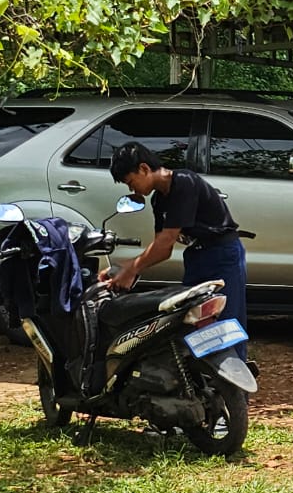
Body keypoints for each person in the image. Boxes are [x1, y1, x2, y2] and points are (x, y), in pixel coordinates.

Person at [101, 142, 250, 361]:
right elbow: (162, 249)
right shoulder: (159, 199)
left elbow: (167, 240)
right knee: (191, 322)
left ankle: (235, 392)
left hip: (222, 255)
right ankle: (206, 388)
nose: (132, 190)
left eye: (131, 182)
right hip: (196, 256)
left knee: (227, 325)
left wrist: (131, 269)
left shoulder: (184, 183)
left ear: (144, 168)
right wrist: (125, 268)